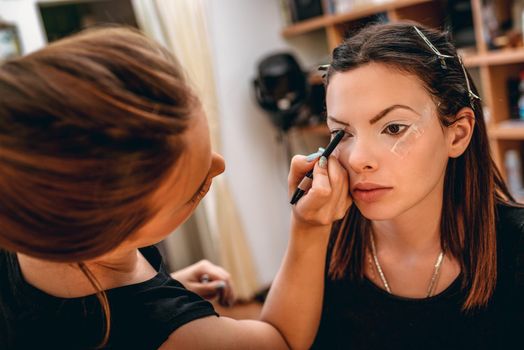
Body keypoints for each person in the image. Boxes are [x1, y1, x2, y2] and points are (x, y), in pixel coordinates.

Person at [0, 27, 351, 349]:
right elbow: (283, 340)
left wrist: (169, 287)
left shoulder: (25, 213)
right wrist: (310, 227)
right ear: (110, 232)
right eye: (196, 189)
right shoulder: (170, 334)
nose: (221, 165)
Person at [307, 22, 524, 349]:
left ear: (458, 133)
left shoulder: (516, 249)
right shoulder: (320, 244)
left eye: (393, 128)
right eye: (343, 133)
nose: (357, 159)